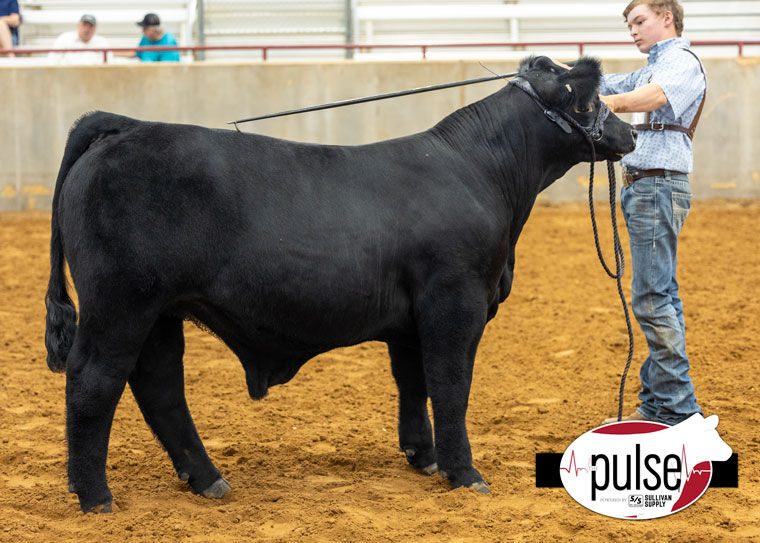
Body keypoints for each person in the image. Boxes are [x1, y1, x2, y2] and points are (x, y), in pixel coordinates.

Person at [599, 0, 706, 426]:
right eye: (629, 25)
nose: (633, 31)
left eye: (639, 21)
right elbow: (604, 81)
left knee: (652, 298)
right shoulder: (651, 68)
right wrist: (556, 72)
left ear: (667, 18)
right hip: (646, 187)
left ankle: (679, 409)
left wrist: (609, 103)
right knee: (661, 295)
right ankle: (659, 404)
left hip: (657, 187)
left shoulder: (680, 62)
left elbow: (655, 96)